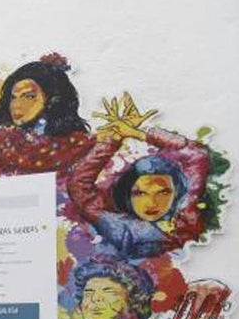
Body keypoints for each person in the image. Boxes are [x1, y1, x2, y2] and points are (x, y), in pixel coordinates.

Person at [68, 92, 210, 259]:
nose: (151, 203)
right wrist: (114, 139)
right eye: (140, 193)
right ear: (127, 194)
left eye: (163, 192)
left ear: (177, 192)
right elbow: (79, 184)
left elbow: (196, 153)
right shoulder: (116, 224)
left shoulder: (185, 214)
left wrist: (139, 134)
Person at [0, 54, 94, 177]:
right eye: (13, 98)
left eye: (29, 97)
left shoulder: (78, 145)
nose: (16, 105)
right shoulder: (1, 142)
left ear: (52, 99)